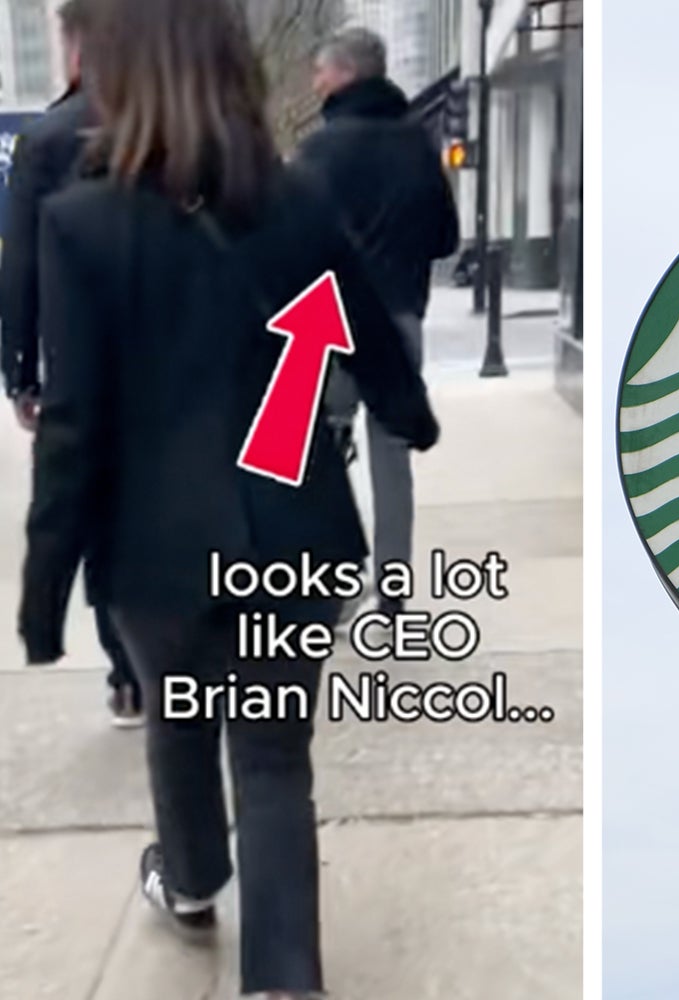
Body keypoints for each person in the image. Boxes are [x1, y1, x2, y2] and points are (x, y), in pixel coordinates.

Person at [16, 0, 438, 995]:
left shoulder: (81, 222)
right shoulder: (294, 200)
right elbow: (364, 334)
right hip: (291, 528)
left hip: (156, 550)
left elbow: (73, 425)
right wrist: (409, 419)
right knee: (273, 754)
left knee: (178, 707)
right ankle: (283, 976)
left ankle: (195, 879)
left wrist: (45, 593)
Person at [0, 0, 144, 726]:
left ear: (78, 47)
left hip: (76, 356)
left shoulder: (45, 138)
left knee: (91, 501)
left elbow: (19, 266)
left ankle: (124, 667)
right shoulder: (167, 126)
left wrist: (19, 369)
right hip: (167, 354)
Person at [295, 26, 459, 617]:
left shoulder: (319, 151)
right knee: (392, 459)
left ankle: (331, 587)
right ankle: (392, 595)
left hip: (330, 321)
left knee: (323, 454)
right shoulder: (418, 145)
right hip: (400, 316)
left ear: (342, 75)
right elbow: (446, 238)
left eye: (319, 71)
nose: (314, 81)